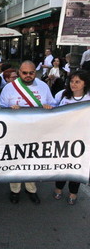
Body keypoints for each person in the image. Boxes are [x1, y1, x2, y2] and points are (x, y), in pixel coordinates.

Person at [0, 60, 56, 204]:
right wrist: (10, 110)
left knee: (32, 160)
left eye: (31, 73)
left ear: (35, 73)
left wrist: (48, 107)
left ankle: (31, 189)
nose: (28, 75)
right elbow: (2, 108)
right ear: (19, 73)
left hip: (37, 131)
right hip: (15, 131)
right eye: (25, 73)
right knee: (16, 160)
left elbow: (54, 104)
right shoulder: (9, 88)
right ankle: (15, 190)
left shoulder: (43, 86)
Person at [53, 70, 90, 204]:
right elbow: (51, 109)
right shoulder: (62, 95)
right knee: (62, 165)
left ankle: (73, 193)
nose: (73, 84)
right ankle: (58, 188)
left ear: (85, 84)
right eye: (72, 81)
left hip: (83, 140)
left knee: (77, 167)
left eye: (77, 82)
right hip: (64, 139)